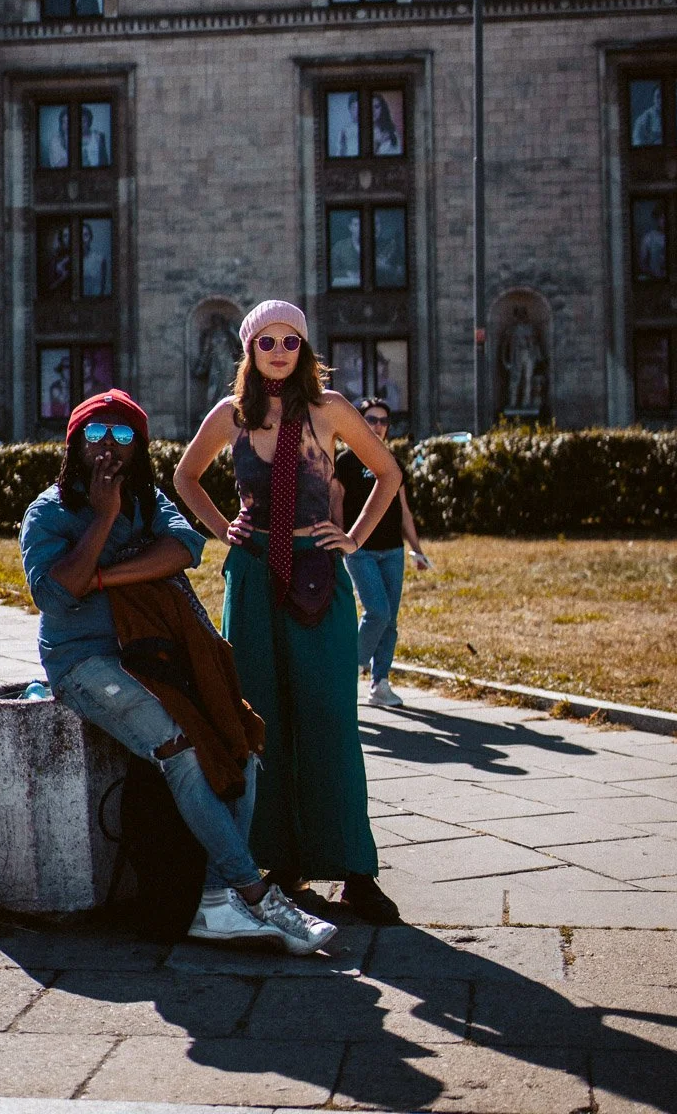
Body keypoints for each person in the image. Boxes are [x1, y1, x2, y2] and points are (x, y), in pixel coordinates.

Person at [20, 387, 336, 955]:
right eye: (95, 435)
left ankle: (216, 904)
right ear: (74, 445)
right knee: (180, 748)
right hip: (86, 662)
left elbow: (184, 549)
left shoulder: (149, 500)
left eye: (122, 436)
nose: (108, 449)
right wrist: (105, 518)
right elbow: (55, 592)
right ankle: (256, 893)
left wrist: (102, 577)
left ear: (139, 448)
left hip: (157, 657)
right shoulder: (49, 510)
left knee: (239, 740)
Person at [175, 299, 404, 925]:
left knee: (330, 716)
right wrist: (226, 530)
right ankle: (277, 862)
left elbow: (387, 473)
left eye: (291, 341)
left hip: (316, 574)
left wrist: (351, 538)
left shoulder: (328, 411)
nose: (279, 351)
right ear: (249, 350)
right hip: (252, 577)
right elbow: (185, 476)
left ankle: (357, 871)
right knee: (259, 719)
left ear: (304, 350)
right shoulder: (230, 415)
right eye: (266, 342)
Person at [331, 397, 430, 709]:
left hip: (393, 551)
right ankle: (348, 672)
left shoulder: (391, 462)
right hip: (359, 550)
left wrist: (417, 549)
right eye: (371, 420)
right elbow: (335, 506)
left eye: (383, 421)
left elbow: (404, 511)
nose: (377, 426)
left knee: (391, 620)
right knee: (378, 611)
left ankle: (380, 683)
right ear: (359, 423)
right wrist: (340, 543)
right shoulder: (344, 463)